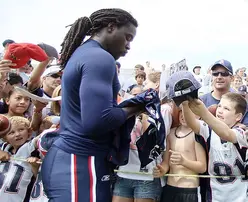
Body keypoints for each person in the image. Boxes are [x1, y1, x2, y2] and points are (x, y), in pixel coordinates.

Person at [41, 8, 143, 202]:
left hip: (76, 159)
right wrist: (136, 107)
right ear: (111, 27)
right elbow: (98, 121)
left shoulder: (84, 53)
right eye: (127, 37)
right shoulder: (100, 58)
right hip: (79, 161)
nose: (128, 46)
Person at [184, 93, 248, 202]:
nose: (220, 110)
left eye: (226, 108)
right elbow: (191, 123)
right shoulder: (209, 130)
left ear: (238, 117)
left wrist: (204, 113)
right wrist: (184, 104)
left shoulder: (242, 131)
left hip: (241, 196)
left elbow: (226, 133)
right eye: (219, 106)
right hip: (216, 196)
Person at [153, 105, 207, 202]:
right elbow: (166, 162)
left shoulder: (197, 135)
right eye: (181, 111)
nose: (184, 115)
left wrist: (184, 161)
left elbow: (202, 167)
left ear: (199, 116)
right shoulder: (170, 134)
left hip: (189, 189)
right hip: (170, 186)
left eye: (189, 112)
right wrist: (162, 169)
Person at [0, 116, 40, 202]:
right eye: (11, 132)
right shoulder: (3, 147)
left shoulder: (31, 148)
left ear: (29, 132)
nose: (17, 134)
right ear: (4, 137)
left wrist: (35, 166)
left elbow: (40, 139)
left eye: (21, 129)